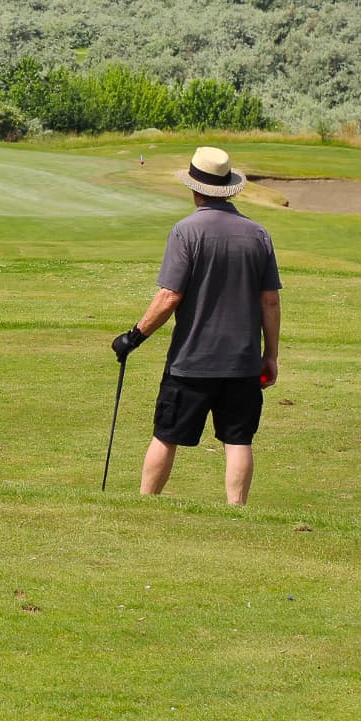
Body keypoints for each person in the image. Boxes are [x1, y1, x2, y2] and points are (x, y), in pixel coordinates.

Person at [111, 146, 281, 506]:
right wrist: (271, 356)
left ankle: (145, 504)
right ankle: (237, 511)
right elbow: (270, 301)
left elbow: (170, 296)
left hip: (191, 361)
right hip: (243, 361)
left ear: (194, 188)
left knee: (165, 435)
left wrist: (133, 337)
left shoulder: (185, 231)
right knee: (238, 439)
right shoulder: (258, 234)